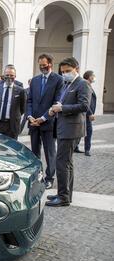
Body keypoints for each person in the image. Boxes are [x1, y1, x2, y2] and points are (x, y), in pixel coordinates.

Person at [46, 57, 91, 207]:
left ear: (76, 68)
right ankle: (65, 194)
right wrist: (56, 108)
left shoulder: (83, 84)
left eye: (67, 71)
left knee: (61, 162)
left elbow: (84, 106)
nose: (64, 74)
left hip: (71, 129)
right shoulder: (68, 83)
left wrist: (62, 108)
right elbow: (65, 102)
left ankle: (63, 197)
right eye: (63, 71)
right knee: (67, 163)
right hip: (64, 126)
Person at [26, 54, 64, 189]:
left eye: (44, 65)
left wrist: (43, 118)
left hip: (48, 123)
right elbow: (29, 100)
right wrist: (30, 116)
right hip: (33, 123)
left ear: (50, 64)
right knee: (35, 151)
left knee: (49, 153)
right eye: (40, 65)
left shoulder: (59, 80)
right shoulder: (35, 80)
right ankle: (38, 175)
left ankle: (49, 178)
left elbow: (57, 102)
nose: (42, 67)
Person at [0, 65, 26, 140]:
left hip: (12, 125)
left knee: (11, 149)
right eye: (7, 75)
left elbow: (23, 108)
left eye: (11, 75)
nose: (9, 77)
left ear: (15, 76)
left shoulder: (21, 91)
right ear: (3, 76)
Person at [74, 70, 97, 156]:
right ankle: (87, 150)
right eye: (93, 75)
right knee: (88, 131)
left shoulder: (88, 85)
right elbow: (85, 102)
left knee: (81, 131)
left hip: (86, 113)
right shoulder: (85, 85)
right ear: (89, 76)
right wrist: (90, 113)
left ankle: (75, 147)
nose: (94, 77)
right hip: (86, 113)